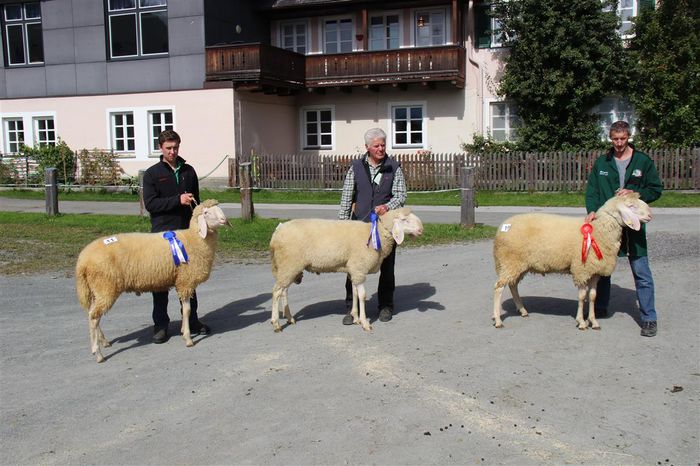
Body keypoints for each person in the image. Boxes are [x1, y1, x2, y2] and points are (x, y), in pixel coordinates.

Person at [584, 120, 663, 337]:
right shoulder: (602, 162)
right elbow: (591, 191)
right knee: (604, 268)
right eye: (615, 139)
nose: (619, 143)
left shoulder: (642, 161)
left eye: (623, 139)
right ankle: (599, 307)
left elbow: (656, 189)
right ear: (610, 138)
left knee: (641, 271)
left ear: (629, 137)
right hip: (608, 225)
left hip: (633, 226)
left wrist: (635, 194)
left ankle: (649, 318)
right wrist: (592, 210)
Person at [142, 130, 210, 343]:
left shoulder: (189, 171)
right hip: (162, 235)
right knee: (160, 282)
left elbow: (196, 202)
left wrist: (200, 219)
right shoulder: (152, 174)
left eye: (176, 148)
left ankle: (192, 319)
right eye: (168, 148)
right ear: (160, 148)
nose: (172, 152)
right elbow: (151, 204)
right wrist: (176, 200)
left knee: (189, 279)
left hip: (186, 235)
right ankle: (160, 325)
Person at [338, 127, 407, 324]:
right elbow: (346, 197)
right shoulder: (356, 167)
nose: (381, 148)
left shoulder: (394, 167)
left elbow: (401, 195)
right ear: (367, 147)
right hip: (358, 228)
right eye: (376, 145)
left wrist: (387, 206)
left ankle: (386, 306)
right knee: (354, 268)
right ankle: (352, 308)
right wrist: (343, 225)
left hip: (385, 229)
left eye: (383, 145)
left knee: (387, 267)